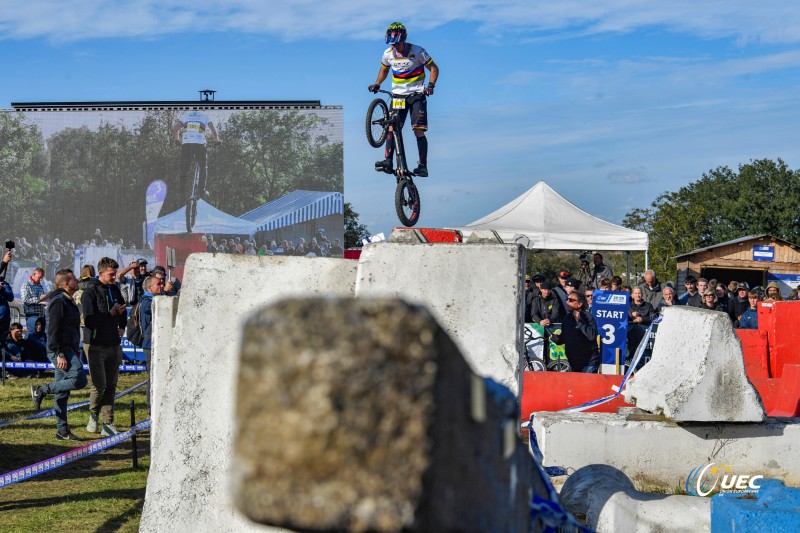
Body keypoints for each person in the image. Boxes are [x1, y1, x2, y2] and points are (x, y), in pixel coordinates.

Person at [369, 21, 439, 178]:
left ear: (404, 39)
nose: (396, 47)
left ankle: (422, 166)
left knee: (418, 130)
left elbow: (434, 68)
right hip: (398, 96)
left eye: (398, 44)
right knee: (392, 127)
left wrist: (431, 86)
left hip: (416, 95)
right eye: (392, 44)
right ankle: (388, 160)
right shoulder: (388, 54)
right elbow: (384, 70)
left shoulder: (418, 51)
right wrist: (377, 83)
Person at [30, 269, 88, 441]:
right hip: (61, 350)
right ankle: (41, 390)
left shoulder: (67, 300)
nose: (77, 280)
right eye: (74, 279)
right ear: (66, 284)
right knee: (80, 380)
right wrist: (59, 353)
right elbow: (53, 330)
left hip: (67, 348)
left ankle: (62, 431)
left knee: (62, 392)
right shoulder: (59, 302)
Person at [82, 257, 127, 437]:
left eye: (115, 273)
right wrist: (110, 314)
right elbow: (90, 320)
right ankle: (93, 415)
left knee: (112, 385)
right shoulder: (90, 292)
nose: (114, 277)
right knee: (99, 385)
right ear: (100, 273)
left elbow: (122, 308)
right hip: (95, 344)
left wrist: (122, 325)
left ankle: (108, 423)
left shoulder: (115, 289)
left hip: (114, 344)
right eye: (110, 274)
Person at [171, 109, 221, 213]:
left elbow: (174, 130)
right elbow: (213, 131)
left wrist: (177, 141)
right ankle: (201, 191)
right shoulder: (205, 115)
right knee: (203, 167)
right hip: (199, 145)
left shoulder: (186, 115)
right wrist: (217, 140)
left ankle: (182, 192)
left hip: (187, 145)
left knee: (184, 170)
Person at [550, 292, 600, 373]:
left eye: (570, 300)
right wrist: (558, 339)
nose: (567, 302)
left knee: (585, 385)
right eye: (567, 299)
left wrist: (579, 321)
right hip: (574, 363)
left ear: (579, 304)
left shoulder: (587, 316)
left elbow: (592, 336)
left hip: (588, 362)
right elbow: (565, 337)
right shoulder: (566, 318)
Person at [140, 276, 163, 408]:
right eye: (158, 284)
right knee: (152, 376)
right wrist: (165, 292)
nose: (161, 285)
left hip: (155, 343)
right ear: (150, 288)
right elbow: (159, 308)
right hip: (150, 345)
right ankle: (151, 406)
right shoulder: (148, 302)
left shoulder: (153, 299)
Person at [628, 286, 656, 355]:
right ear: (632, 295)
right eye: (636, 293)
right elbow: (623, 317)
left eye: (639, 293)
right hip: (631, 335)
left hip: (645, 334)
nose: (638, 295)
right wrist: (631, 315)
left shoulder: (648, 305)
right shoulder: (628, 306)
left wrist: (642, 319)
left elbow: (653, 317)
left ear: (642, 294)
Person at [21, 267, 47, 333]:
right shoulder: (26, 285)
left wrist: (46, 301)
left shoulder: (40, 286)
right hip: (31, 314)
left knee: (41, 333)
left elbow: (42, 299)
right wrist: (39, 300)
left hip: (41, 314)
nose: (40, 280)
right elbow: (25, 299)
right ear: (34, 274)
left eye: (42, 278)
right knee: (32, 333)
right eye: (39, 277)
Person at [0, 250, 15, 336]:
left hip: (5, 318)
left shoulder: (4, 283)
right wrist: (4, 262)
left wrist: (2, 289)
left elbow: (11, 297)